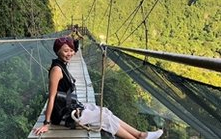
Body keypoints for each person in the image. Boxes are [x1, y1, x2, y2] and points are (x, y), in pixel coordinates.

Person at [34, 37, 163, 139]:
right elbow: (51, 97)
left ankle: (140, 134)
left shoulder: (62, 64)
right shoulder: (57, 69)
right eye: (66, 50)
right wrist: (46, 123)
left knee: (105, 111)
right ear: (58, 51)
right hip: (64, 115)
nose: (70, 53)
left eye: (72, 50)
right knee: (104, 118)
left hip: (70, 106)